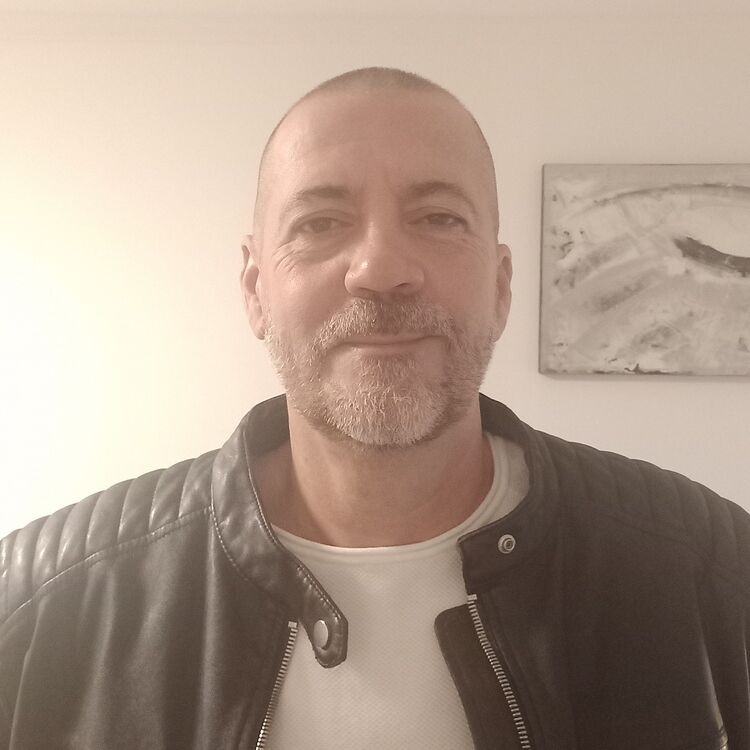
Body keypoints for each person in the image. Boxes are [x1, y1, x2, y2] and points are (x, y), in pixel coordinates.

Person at [0, 67, 747, 750]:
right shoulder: (36, 603)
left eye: (438, 218)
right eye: (319, 223)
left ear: (500, 286)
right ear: (256, 289)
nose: (381, 268)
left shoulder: (713, 574)